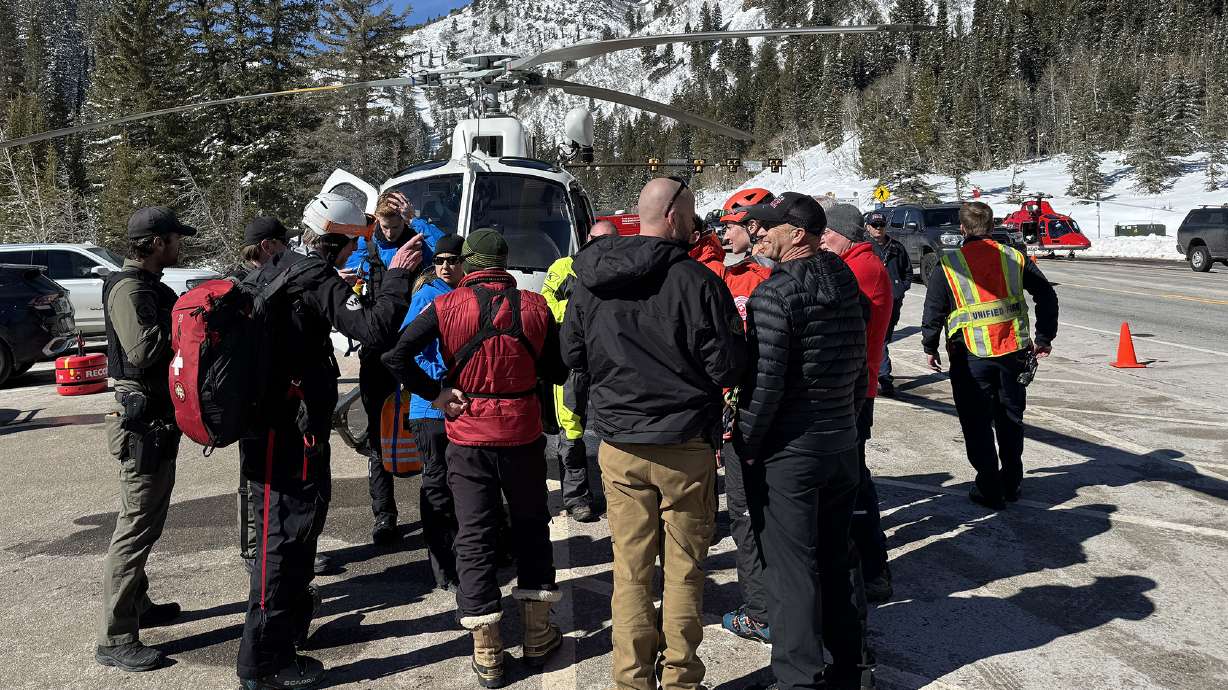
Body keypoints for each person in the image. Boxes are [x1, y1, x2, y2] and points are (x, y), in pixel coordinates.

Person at [562, 177, 746, 690]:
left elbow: (571, 357)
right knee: (684, 570)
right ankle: (682, 679)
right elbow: (728, 366)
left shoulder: (590, 280)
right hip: (684, 446)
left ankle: (631, 679)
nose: (694, 224)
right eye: (688, 214)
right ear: (671, 216)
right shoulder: (697, 281)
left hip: (620, 444)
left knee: (630, 571)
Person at [236, 193, 421, 690]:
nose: (351, 257)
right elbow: (374, 328)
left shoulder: (275, 272)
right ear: (335, 242)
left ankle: (289, 630)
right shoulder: (311, 275)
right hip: (286, 432)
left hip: (279, 428)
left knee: (294, 529)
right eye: (350, 246)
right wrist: (399, 273)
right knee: (282, 540)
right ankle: (261, 663)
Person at [383, 229, 568, 689]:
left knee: (474, 534)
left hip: (467, 438)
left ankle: (486, 649)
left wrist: (437, 393)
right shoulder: (536, 306)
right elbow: (560, 368)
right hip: (522, 435)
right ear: (504, 261)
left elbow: (397, 355)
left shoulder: (445, 305)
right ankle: (537, 635)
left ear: (467, 263)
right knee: (530, 526)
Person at [735, 192, 869, 690]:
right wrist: (845, 424)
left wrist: (747, 443)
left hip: (793, 452)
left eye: (771, 226)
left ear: (799, 235)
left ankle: (797, 678)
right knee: (834, 561)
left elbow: (766, 385)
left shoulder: (775, 295)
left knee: (790, 572)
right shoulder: (845, 280)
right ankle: (849, 667)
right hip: (839, 445)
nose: (761, 233)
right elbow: (860, 368)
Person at [95, 207, 195, 673]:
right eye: (175, 238)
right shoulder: (131, 288)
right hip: (141, 423)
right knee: (134, 526)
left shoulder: (147, 286)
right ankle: (115, 638)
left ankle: (139, 604)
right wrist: (187, 326)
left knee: (146, 520)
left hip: (155, 419)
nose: (180, 245)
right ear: (155, 242)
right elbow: (142, 350)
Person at [922, 201, 1058, 510]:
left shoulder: (950, 263)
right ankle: (1011, 482)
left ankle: (988, 485)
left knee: (977, 422)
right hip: (1014, 351)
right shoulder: (1014, 257)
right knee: (1010, 418)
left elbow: (935, 307)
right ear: (991, 224)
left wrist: (929, 344)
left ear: (962, 228)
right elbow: (1046, 294)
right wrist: (1044, 336)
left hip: (970, 354)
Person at [236, 218, 331, 577]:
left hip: (276, 404)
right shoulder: (251, 290)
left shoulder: (268, 284)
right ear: (267, 247)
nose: (289, 249)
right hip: (265, 406)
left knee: (281, 488)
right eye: (282, 242)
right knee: (261, 488)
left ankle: (284, 552)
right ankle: (260, 555)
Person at [346, 191, 437, 545]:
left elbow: (442, 251)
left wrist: (416, 221)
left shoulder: (419, 239)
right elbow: (349, 280)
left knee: (426, 426)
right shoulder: (365, 247)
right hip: (376, 347)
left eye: (395, 225)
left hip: (414, 344)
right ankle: (384, 516)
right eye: (384, 226)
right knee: (376, 435)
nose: (389, 232)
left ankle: (434, 511)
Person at [819, 204, 894, 603]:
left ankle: (872, 567)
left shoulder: (861, 268)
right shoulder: (859, 262)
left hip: (854, 389)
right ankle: (866, 565)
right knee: (850, 478)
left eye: (827, 233)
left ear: (844, 234)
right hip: (854, 384)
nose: (823, 240)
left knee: (854, 482)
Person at [712, 188, 776, 644]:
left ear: (753, 227)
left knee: (748, 514)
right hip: (758, 409)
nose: (723, 235)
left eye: (729, 227)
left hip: (750, 412)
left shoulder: (765, 279)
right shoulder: (725, 275)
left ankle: (761, 611)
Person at [399, 233, 466, 592]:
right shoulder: (428, 296)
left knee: (463, 485)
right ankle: (443, 566)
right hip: (430, 410)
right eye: (438, 261)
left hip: (459, 409)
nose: (444, 266)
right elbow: (407, 349)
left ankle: (467, 554)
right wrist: (436, 381)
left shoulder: (467, 294)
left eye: (452, 260)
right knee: (438, 487)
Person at [540, 219, 619, 523]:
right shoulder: (562, 267)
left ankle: (614, 494)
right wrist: (578, 310)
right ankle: (576, 498)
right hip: (569, 361)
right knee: (570, 430)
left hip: (608, 362)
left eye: (608, 243)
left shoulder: (620, 269)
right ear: (587, 239)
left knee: (612, 427)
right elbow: (546, 306)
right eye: (596, 242)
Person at [865, 210, 911, 397]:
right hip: (871, 301)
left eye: (881, 225)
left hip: (893, 301)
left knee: (884, 338)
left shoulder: (896, 248)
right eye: (875, 225)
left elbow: (907, 272)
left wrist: (900, 289)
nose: (878, 229)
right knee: (880, 339)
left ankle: (878, 375)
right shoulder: (864, 248)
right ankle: (884, 378)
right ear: (868, 227)